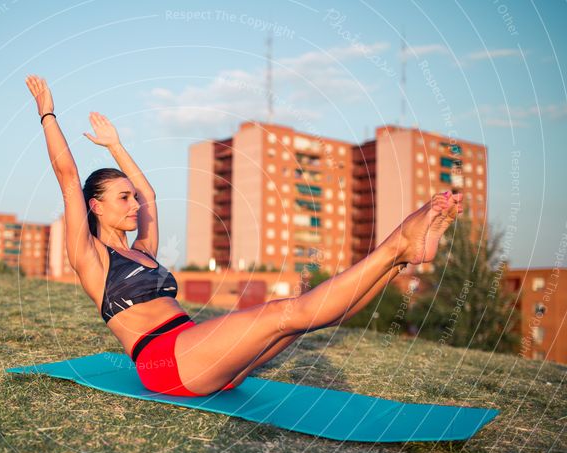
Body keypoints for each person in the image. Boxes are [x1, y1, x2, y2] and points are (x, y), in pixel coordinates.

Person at [25, 75, 464, 397]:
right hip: (165, 362)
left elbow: (151, 192)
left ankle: (398, 265)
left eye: (131, 197)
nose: (134, 204)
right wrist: (47, 110)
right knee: (284, 312)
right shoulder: (93, 258)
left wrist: (116, 145)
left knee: (308, 321)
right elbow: (67, 179)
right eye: (123, 198)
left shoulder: (144, 251)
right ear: (96, 206)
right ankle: (397, 243)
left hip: (201, 357)